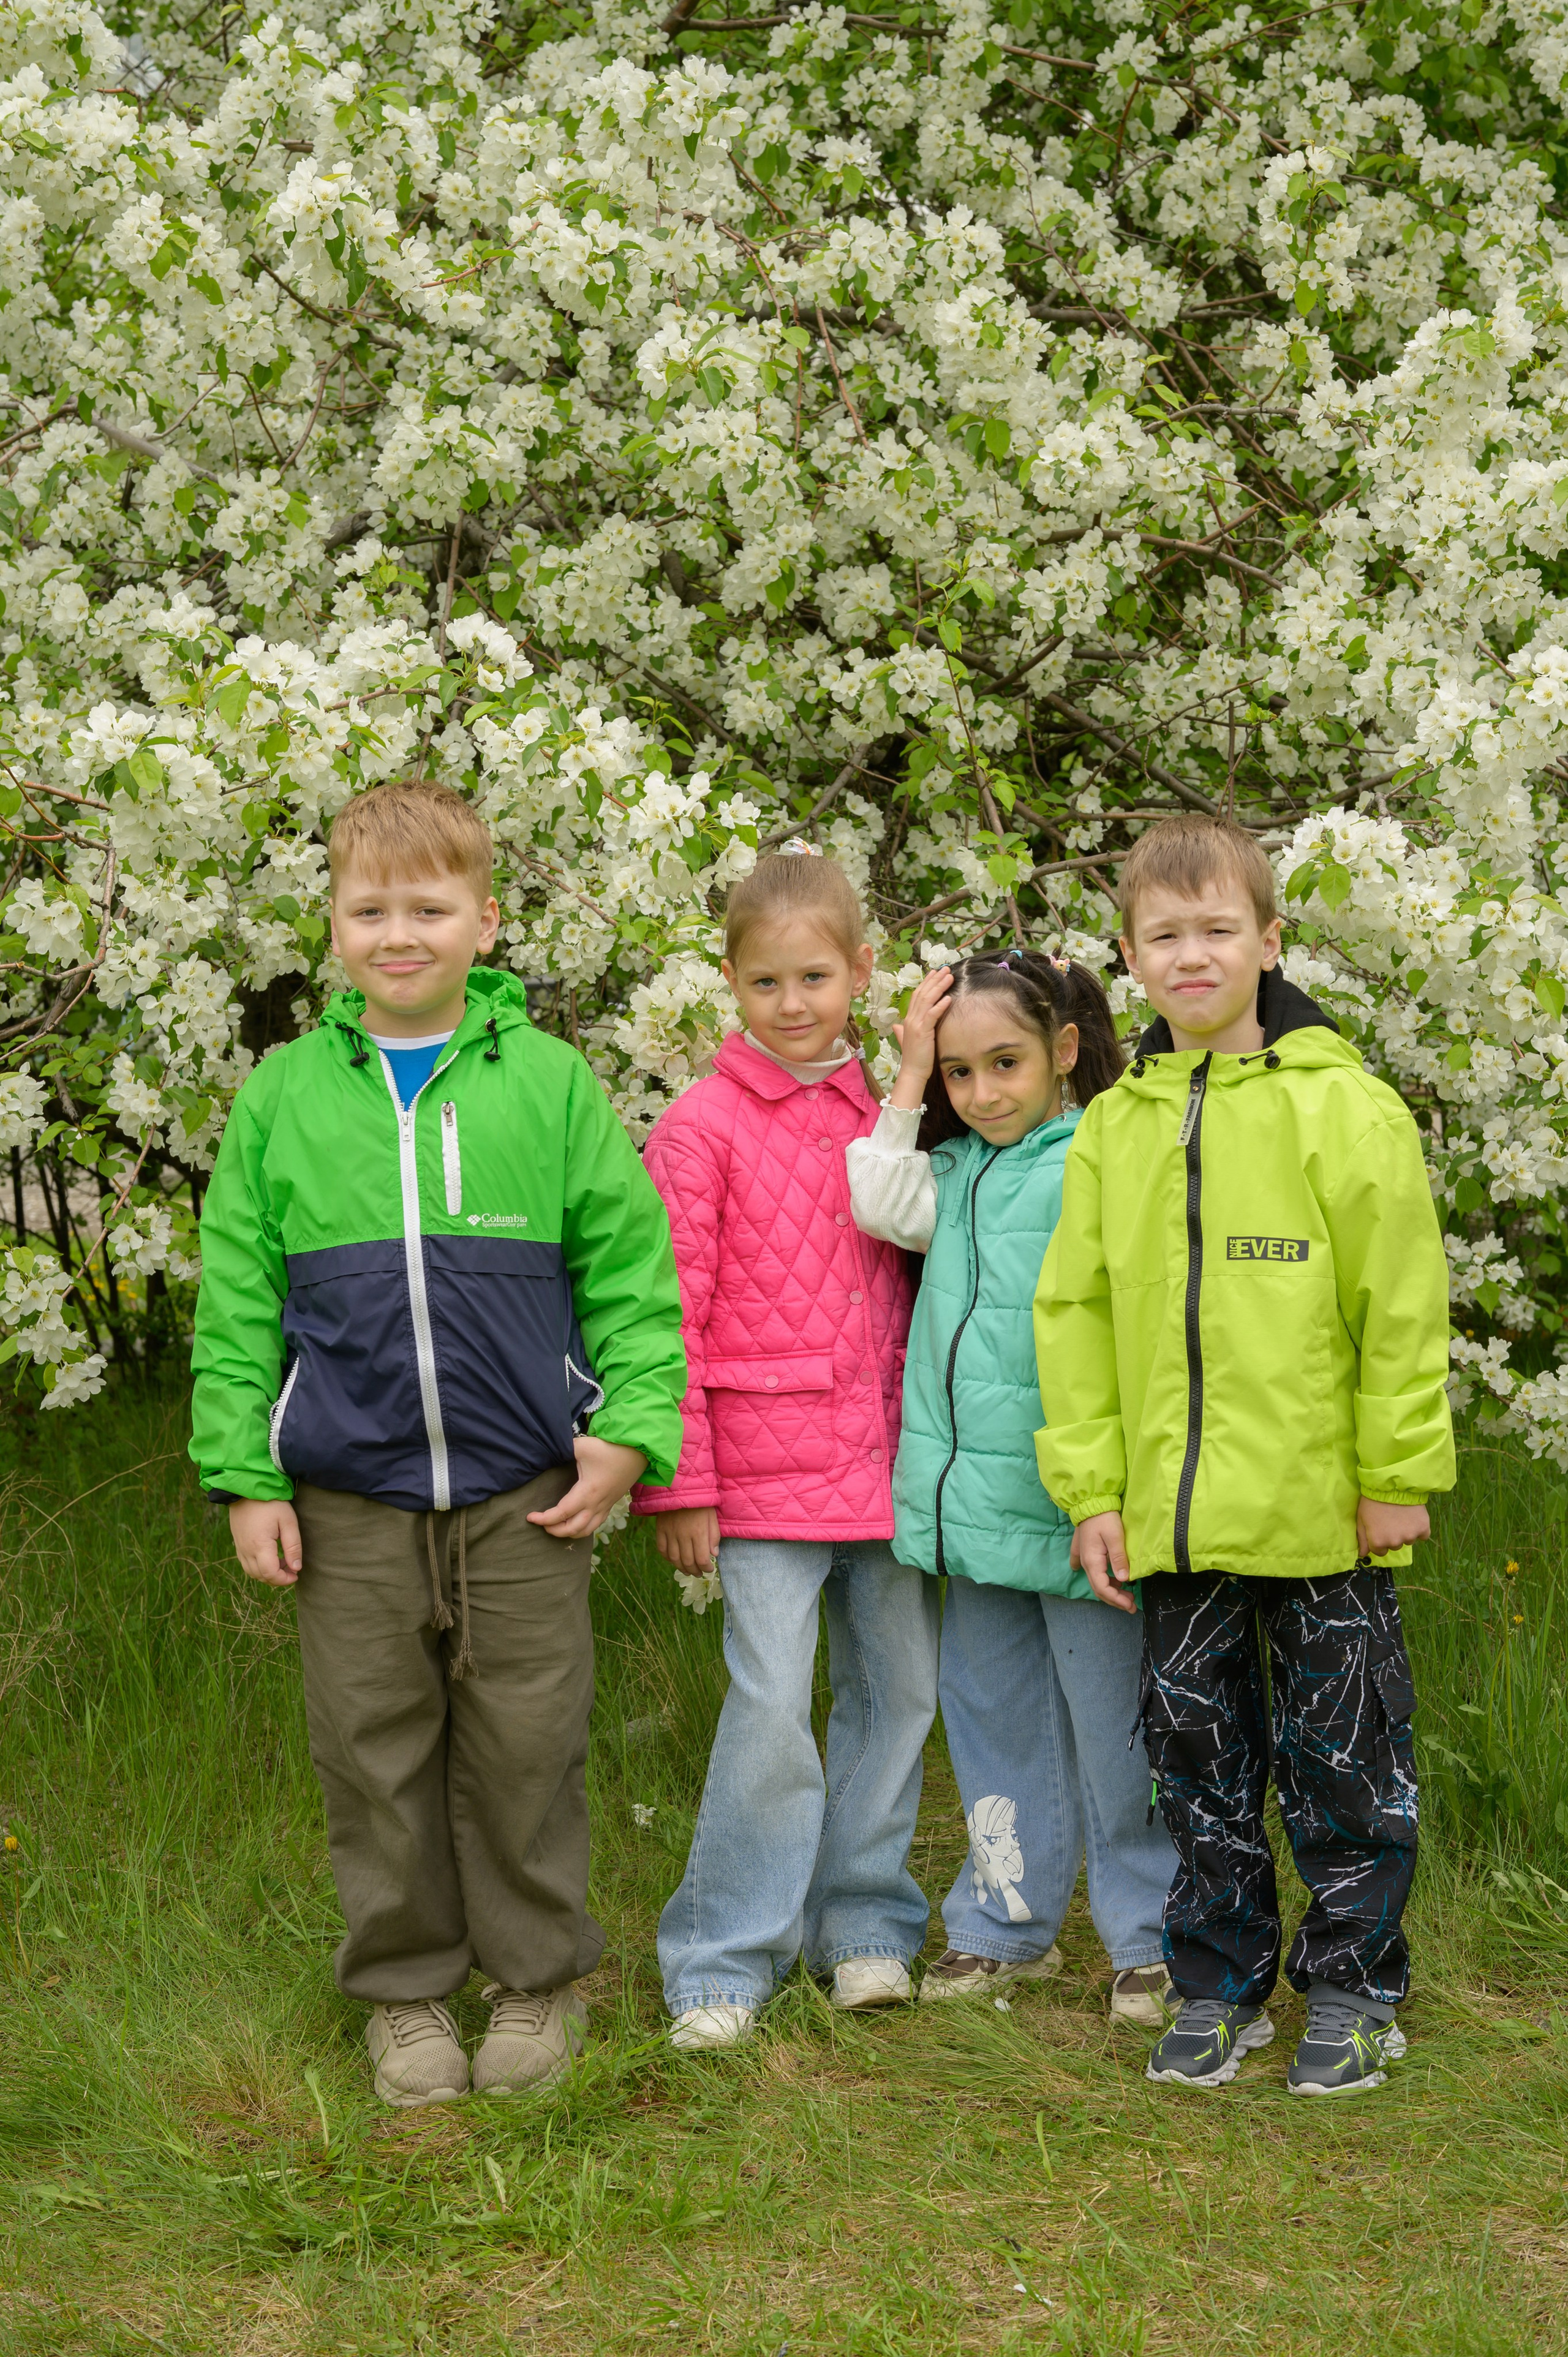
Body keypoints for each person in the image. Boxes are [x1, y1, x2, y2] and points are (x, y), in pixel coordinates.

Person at [190, 779, 685, 2108]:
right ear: (333, 928)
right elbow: (237, 1297)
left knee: (528, 1740)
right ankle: (407, 1994)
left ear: (486, 919)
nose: (396, 932)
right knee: (372, 1744)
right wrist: (246, 1475)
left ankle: (532, 1978)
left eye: (428, 905)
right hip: (346, 1494)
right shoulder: (284, 1096)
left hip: (526, 1492)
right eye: (368, 909)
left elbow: (630, 1269)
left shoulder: (547, 1080)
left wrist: (629, 1434)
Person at [1036, 813, 1454, 2095]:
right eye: (1164, 935)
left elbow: (1397, 1298)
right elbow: (1078, 1315)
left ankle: (1352, 1986)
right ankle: (1217, 1983)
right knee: (1194, 1763)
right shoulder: (1114, 1128)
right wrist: (1092, 1493)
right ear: (1129, 956)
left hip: (1321, 1514)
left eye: (1218, 929)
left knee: (1344, 1762)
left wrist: (1394, 1471)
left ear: (1266, 943)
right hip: (1172, 1523)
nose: (1193, 953)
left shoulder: (1346, 1109)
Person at [631, 848, 939, 2051]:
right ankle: (721, 1956)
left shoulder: (895, 1112)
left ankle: (861, 1927)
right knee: (769, 1707)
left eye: (815, 975)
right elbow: (667, 1316)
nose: (794, 1001)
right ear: (730, 984)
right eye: (766, 981)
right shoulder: (700, 1129)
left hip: (890, 1464)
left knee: (895, 1691)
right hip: (759, 1476)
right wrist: (680, 1480)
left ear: (860, 970)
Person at [846, 949, 1177, 2027]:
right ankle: (1001, 1924)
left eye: (1006, 1064)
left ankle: (1153, 1939)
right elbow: (876, 1195)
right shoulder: (951, 1176)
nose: (983, 1094)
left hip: (1082, 1509)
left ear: (1064, 1053)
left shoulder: (1097, 1155)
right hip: (978, 1516)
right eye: (958, 1074)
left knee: (1117, 1734)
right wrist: (904, 1079)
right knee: (991, 1724)